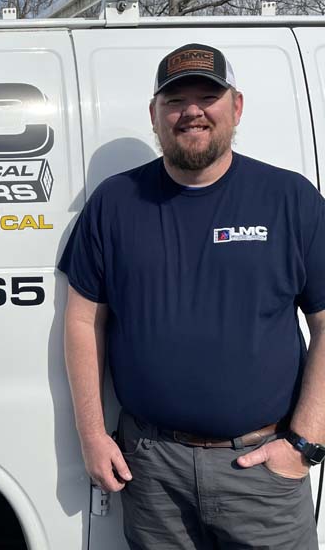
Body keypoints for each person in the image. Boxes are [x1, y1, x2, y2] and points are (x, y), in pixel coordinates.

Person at [58, 43, 325, 549]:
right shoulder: (114, 203)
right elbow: (82, 321)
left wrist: (305, 444)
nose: (192, 111)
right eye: (176, 100)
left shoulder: (290, 199)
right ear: (154, 114)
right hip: (152, 471)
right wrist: (91, 435)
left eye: (208, 97)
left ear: (236, 107)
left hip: (262, 470)